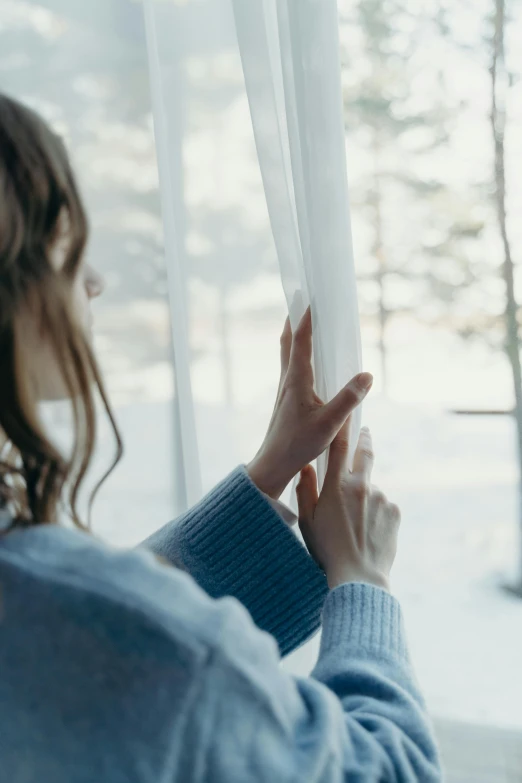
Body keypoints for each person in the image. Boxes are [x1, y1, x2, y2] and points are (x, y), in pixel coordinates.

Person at [0, 93, 441, 782]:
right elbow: (390, 770)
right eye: (64, 244)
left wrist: (264, 480)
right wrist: (362, 584)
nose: (93, 281)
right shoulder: (77, 616)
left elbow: (79, 652)